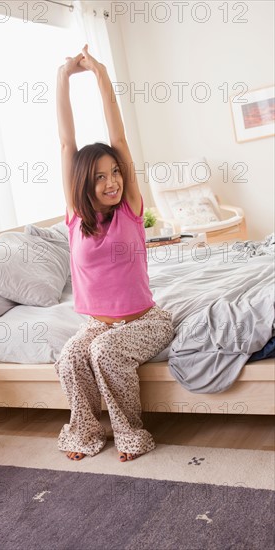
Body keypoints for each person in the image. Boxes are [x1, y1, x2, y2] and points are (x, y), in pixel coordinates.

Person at [54, 44, 175, 462]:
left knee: (104, 353)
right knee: (72, 355)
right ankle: (86, 433)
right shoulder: (75, 218)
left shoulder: (130, 210)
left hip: (146, 321)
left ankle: (130, 433)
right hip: (98, 324)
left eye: (116, 172)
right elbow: (66, 142)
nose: (112, 181)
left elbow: (119, 137)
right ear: (83, 184)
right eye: (101, 177)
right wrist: (62, 78)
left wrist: (101, 73)